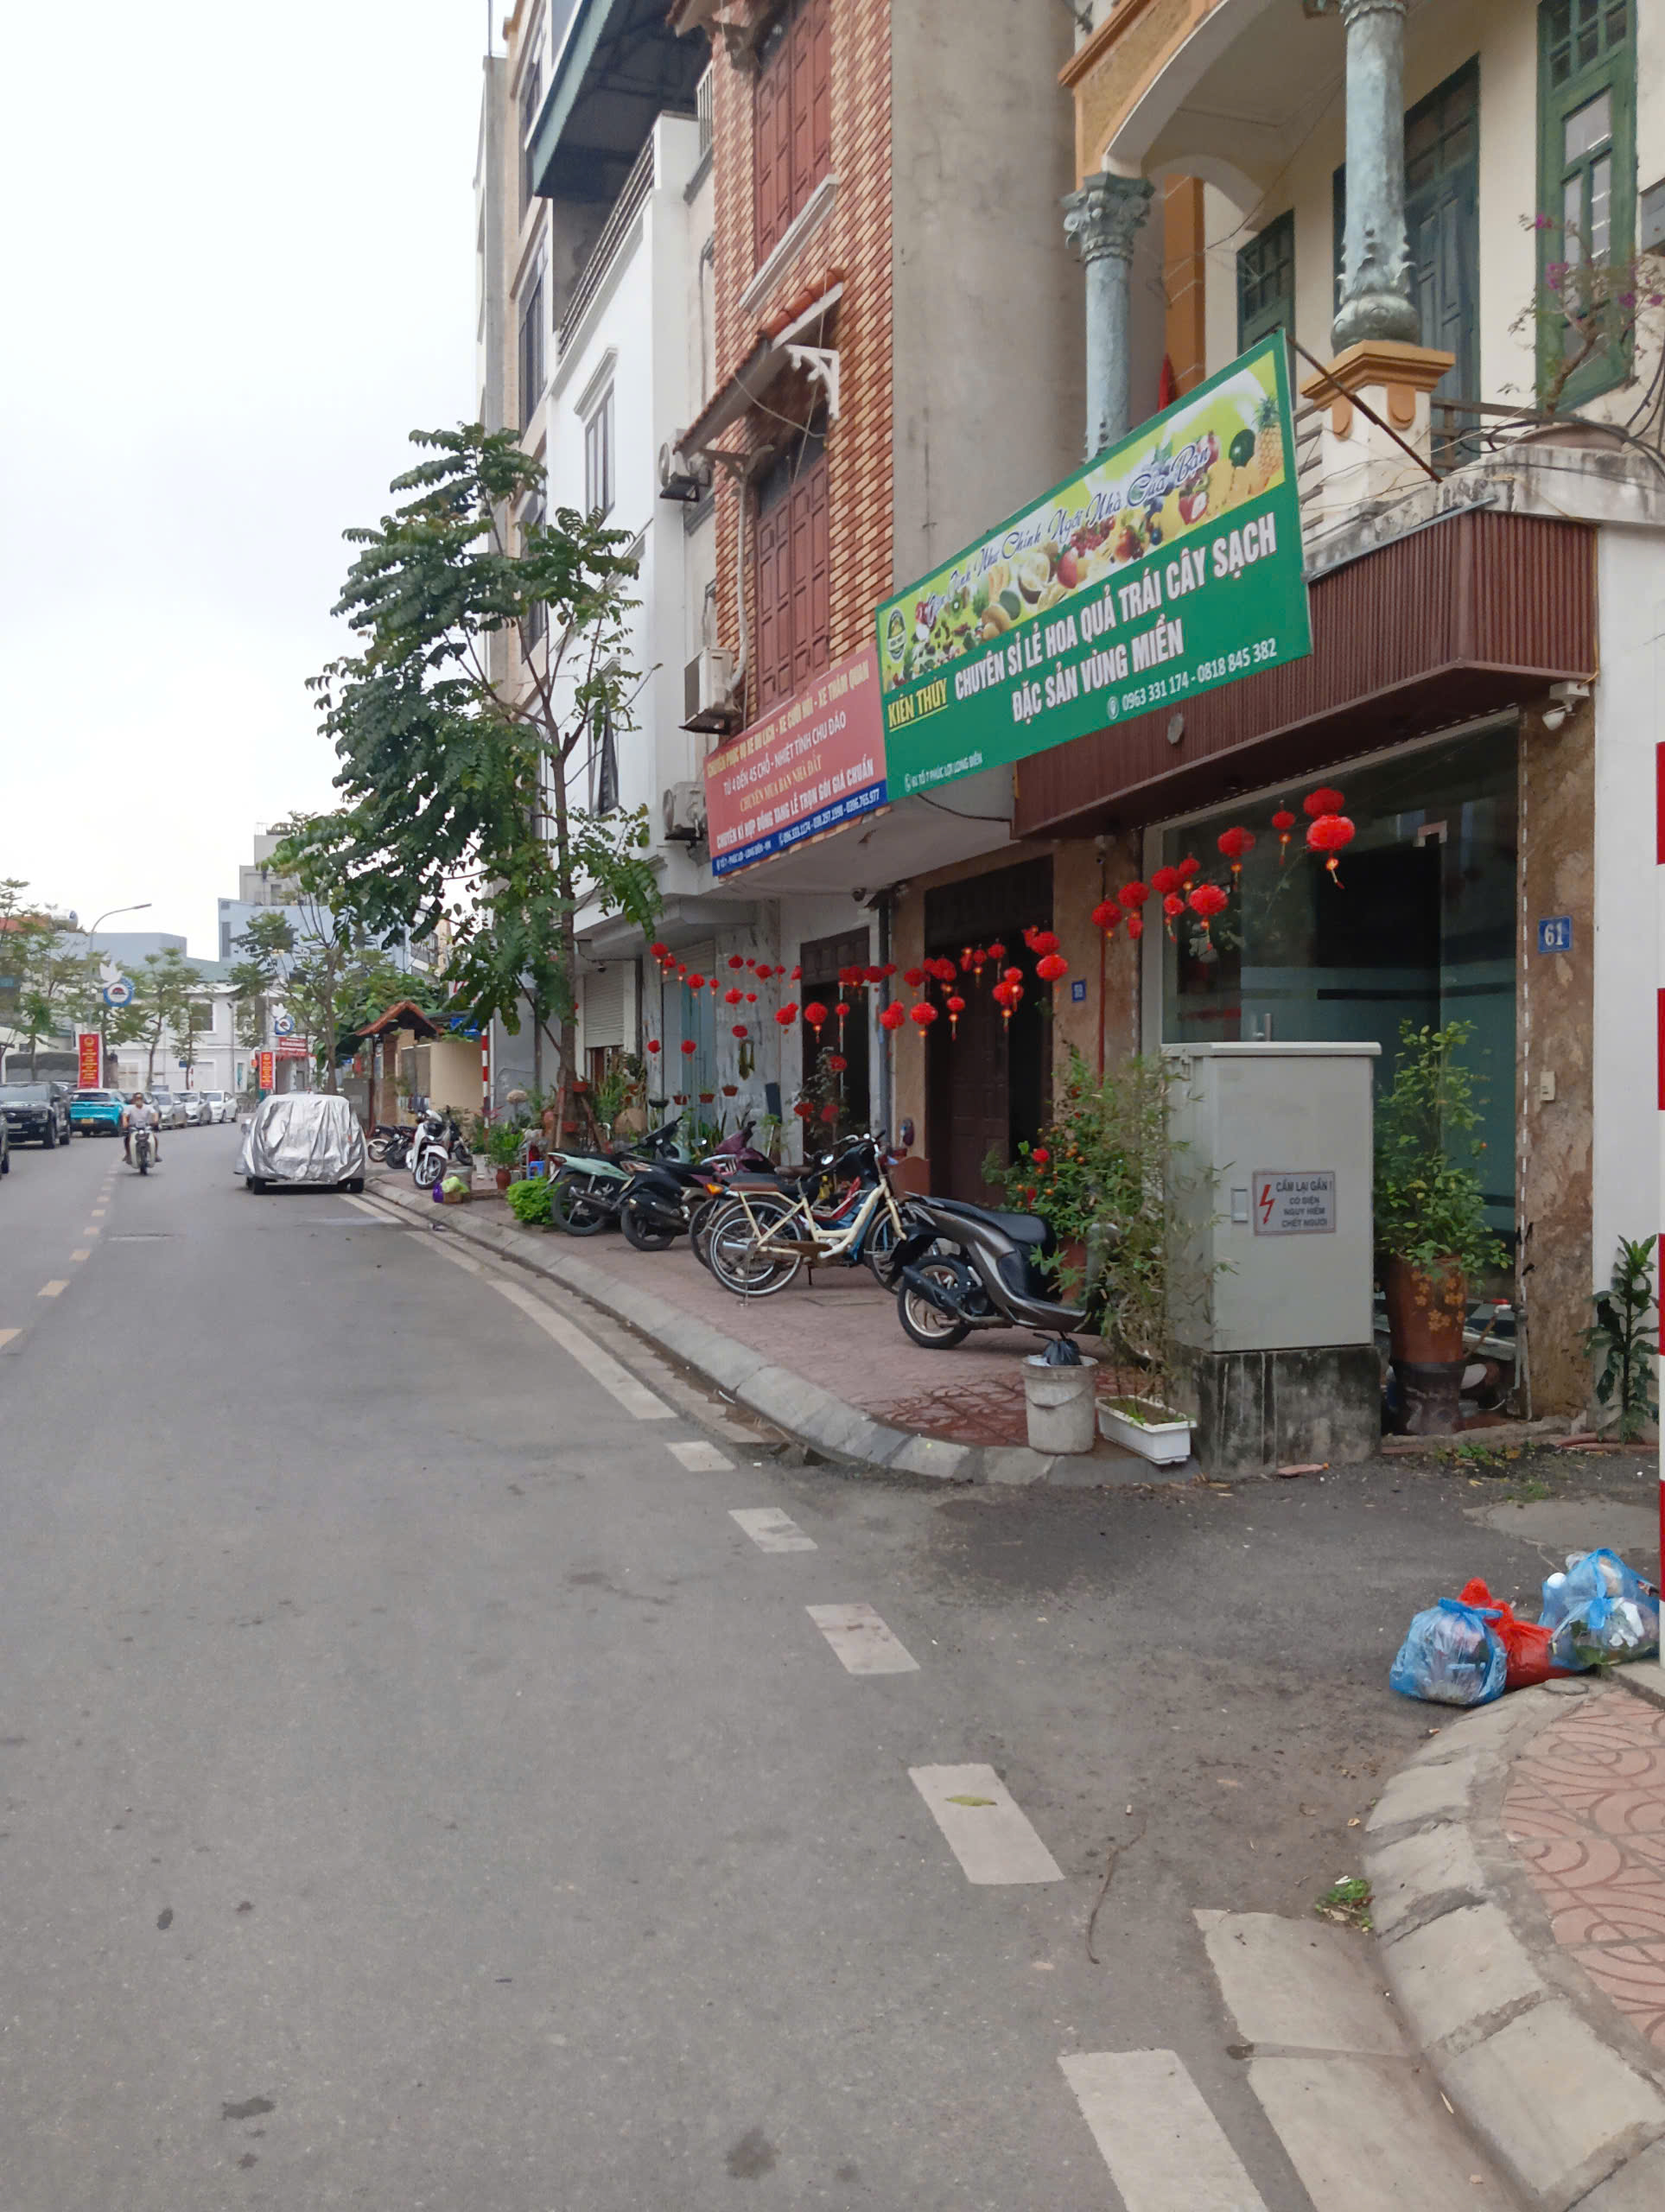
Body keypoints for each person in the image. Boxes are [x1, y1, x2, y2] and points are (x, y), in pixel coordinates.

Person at [122, 1092, 160, 1166]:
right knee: (128, 1139)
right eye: (137, 1098)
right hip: (133, 1128)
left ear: (143, 1099)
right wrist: (125, 1122)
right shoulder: (129, 1108)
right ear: (134, 1100)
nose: (139, 1100)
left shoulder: (148, 1107)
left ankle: (155, 1154)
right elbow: (125, 1115)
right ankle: (128, 1155)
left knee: (154, 1138)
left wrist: (155, 1120)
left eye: (140, 1098)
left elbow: (155, 1113)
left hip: (146, 1127)